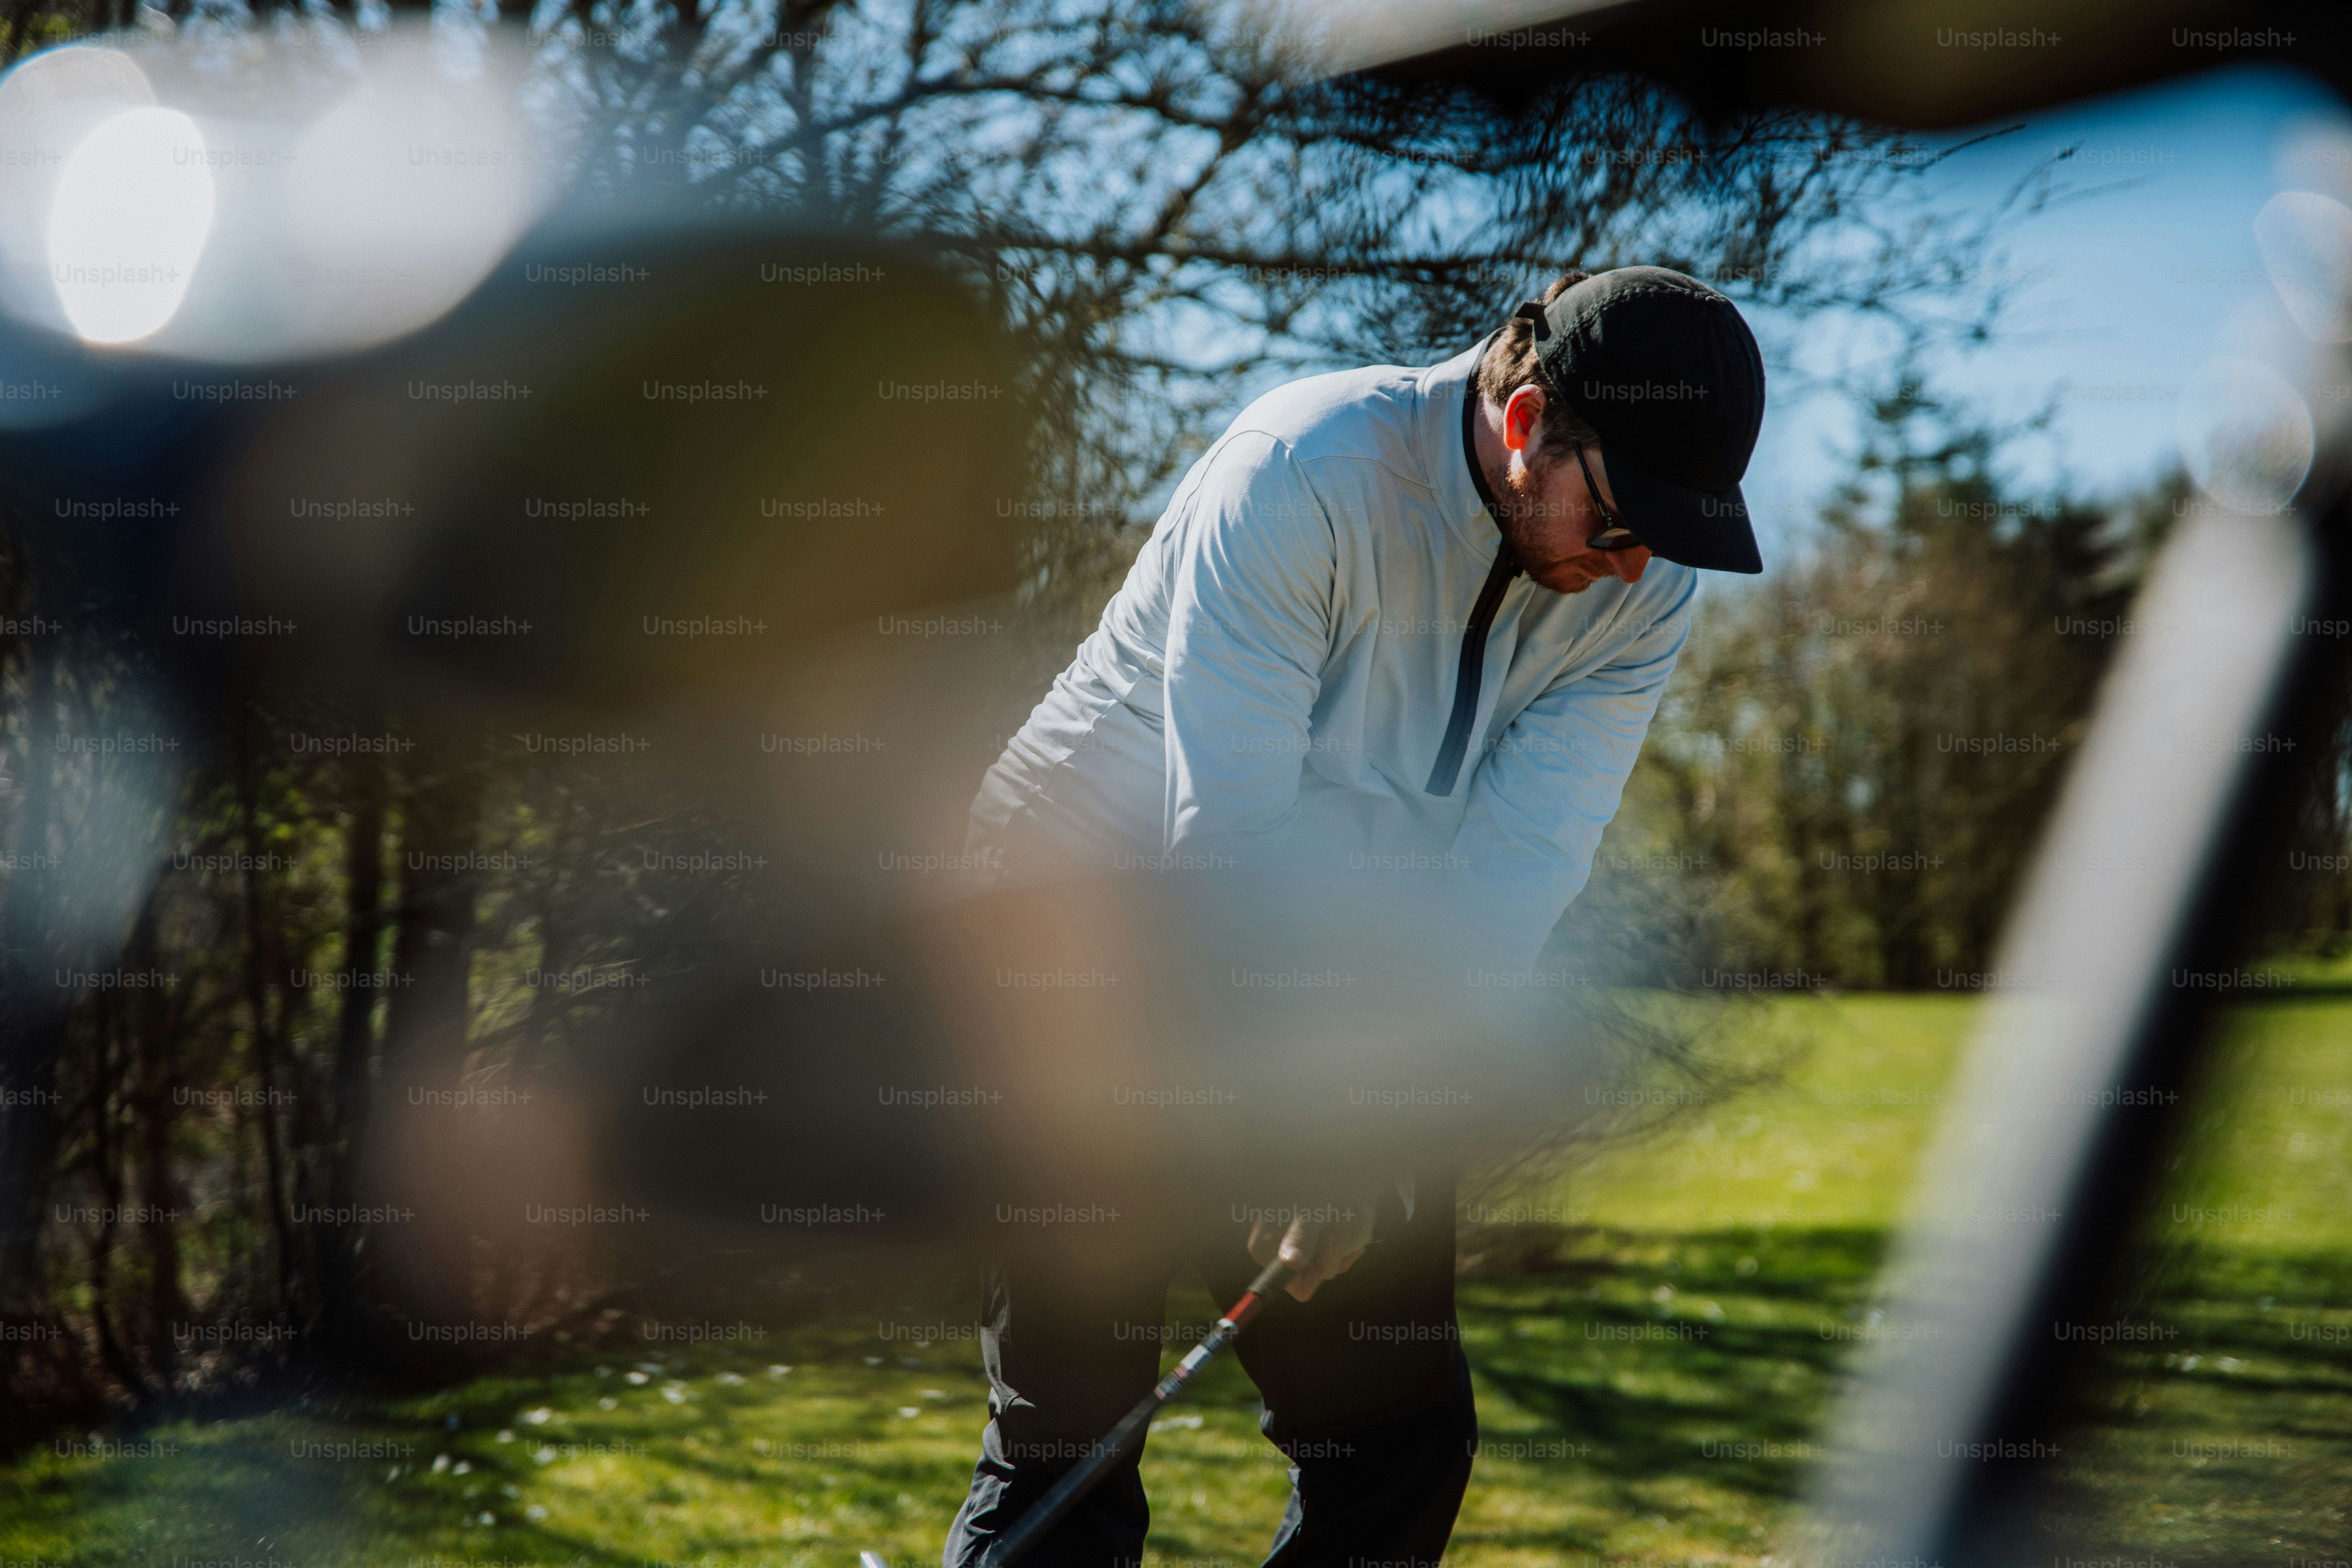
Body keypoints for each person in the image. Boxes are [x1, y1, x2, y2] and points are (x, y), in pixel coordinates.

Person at [944, 266, 1767, 1567]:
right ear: (1525, 423)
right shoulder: (1303, 472)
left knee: (1394, 1440)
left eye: (1668, 534)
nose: (1633, 564)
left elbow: (1517, 867)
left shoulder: (1641, 591)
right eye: (1620, 518)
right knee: (1073, 1444)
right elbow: (1227, 844)